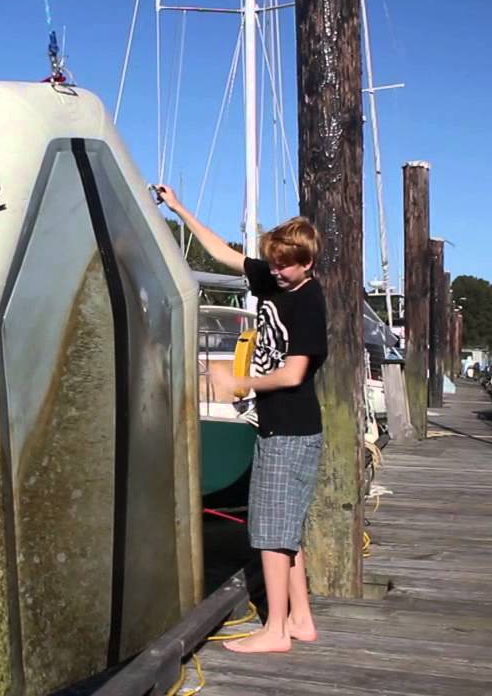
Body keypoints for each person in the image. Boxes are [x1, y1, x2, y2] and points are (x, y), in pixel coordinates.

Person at [157, 184, 328, 654]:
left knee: (272, 536)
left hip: (291, 431)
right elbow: (224, 253)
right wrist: (179, 209)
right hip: (282, 429)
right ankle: (300, 620)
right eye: (272, 262)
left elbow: (294, 373)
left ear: (306, 263)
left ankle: (274, 631)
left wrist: (239, 384)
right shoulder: (276, 280)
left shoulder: (308, 302)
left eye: (285, 264)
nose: (275, 270)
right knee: (286, 530)